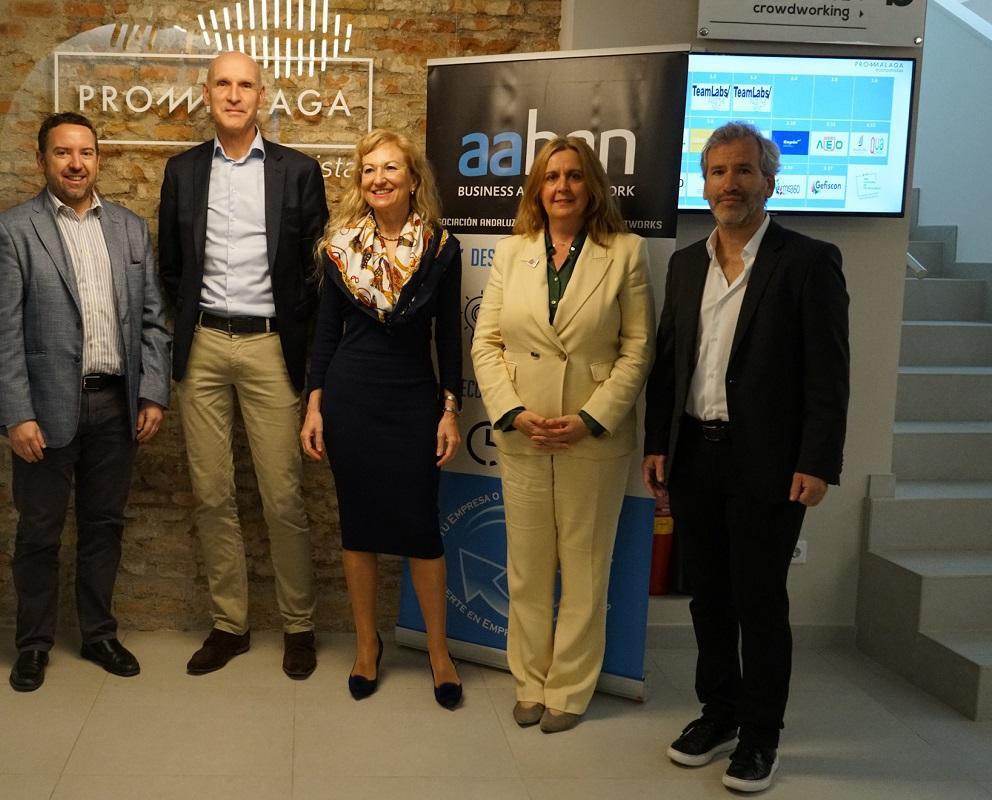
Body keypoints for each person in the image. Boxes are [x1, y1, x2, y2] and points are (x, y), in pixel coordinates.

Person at [642, 122, 849, 792]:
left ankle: (760, 737)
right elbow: (669, 365)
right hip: (695, 455)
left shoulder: (807, 261)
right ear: (702, 184)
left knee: (759, 602)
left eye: (743, 171)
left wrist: (818, 460)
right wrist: (656, 446)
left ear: (768, 180)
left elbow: (829, 373)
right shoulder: (684, 263)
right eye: (718, 172)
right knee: (708, 596)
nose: (729, 184)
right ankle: (719, 714)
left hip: (769, 462)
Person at [0, 111, 171, 692]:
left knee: (104, 525)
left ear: (98, 159)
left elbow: (153, 321)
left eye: (85, 152)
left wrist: (153, 393)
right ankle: (33, 643)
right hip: (45, 411)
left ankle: (98, 635)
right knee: (38, 531)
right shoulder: (14, 229)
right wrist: (17, 413)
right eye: (62, 153)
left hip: (116, 405)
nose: (75, 163)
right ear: (42, 160)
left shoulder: (131, 230)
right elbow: (1, 331)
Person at [471, 136, 654, 733]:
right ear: (537, 188)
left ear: (591, 185)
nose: (563, 187)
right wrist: (513, 411)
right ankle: (529, 680)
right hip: (524, 434)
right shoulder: (512, 251)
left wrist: (590, 418)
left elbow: (637, 349)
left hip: (590, 438)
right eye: (552, 177)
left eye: (575, 176)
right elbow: (487, 343)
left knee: (583, 570)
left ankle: (569, 690)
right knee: (525, 567)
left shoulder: (623, 252)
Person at [158, 51, 328, 679]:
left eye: (246, 85)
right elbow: (170, 264)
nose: (234, 95)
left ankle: (299, 626)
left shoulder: (298, 171)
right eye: (223, 84)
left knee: (282, 496)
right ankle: (230, 625)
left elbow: (316, 272)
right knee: (211, 494)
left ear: (262, 95)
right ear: (207, 94)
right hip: (201, 346)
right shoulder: (181, 172)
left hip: (270, 348)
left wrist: (304, 351)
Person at [299, 129, 463, 708]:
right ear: (359, 181)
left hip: (414, 398)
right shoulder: (339, 247)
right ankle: (367, 646)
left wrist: (450, 409)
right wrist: (314, 405)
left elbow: (450, 337)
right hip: (351, 397)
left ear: (413, 180)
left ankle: (440, 653)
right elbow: (325, 335)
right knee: (359, 525)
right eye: (368, 169)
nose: (379, 178)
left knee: (422, 528)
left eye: (390, 168)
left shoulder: (442, 248)